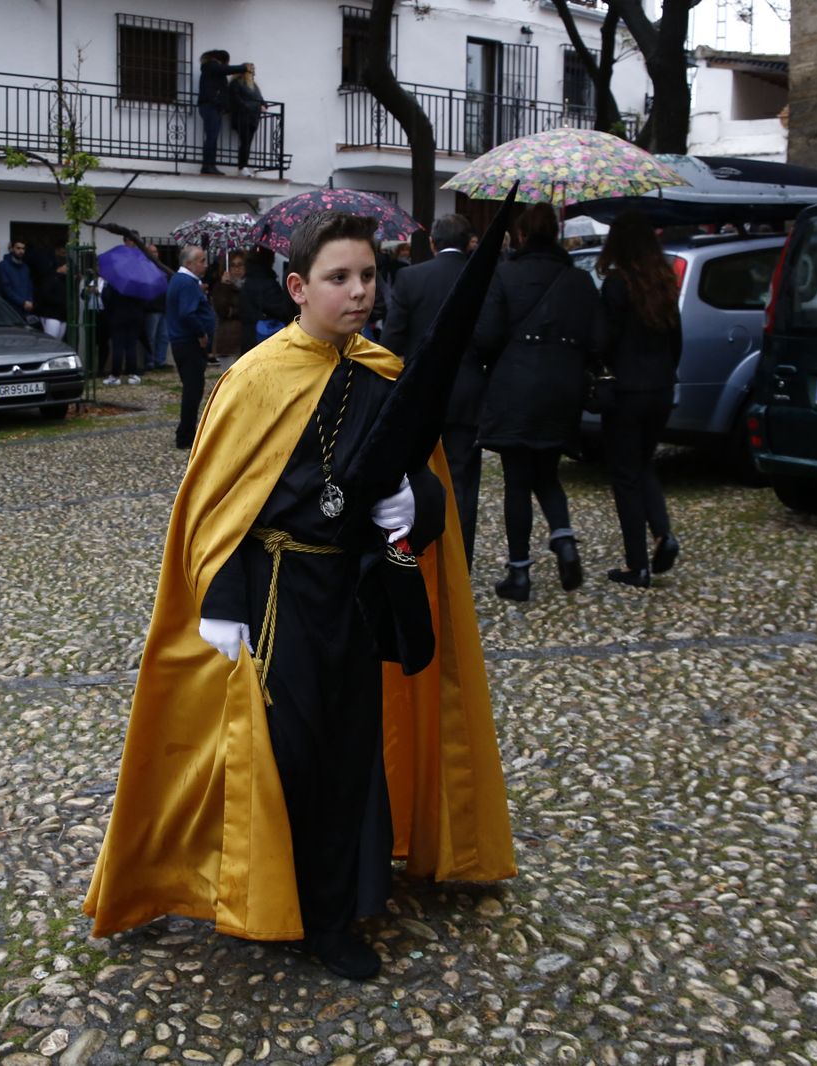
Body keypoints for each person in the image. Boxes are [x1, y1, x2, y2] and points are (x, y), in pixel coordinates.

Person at [84, 210, 515, 981]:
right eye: (338, 279)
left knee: (350, 754)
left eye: (368, 277)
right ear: (297, 286)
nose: (358, 294)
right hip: (279, 596)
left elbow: (417, 477)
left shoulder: (384, 372)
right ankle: (268, 896)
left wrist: (411, 506)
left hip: (352, 594)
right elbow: (215, 507)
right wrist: (221, 599)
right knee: (288, 757)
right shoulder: (256, 378)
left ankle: (332, 913)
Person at [472, 203, 599, 602]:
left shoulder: (505, 275)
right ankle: (564, 541)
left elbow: (486, 336)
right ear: (556, 236)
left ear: (522, 236)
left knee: (517, 480)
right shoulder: (578, 280)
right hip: (562, 386)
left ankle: (520, 573)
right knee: (548, 471)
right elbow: (598, 340)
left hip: (516, 384)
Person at [380, 213, 484, 568]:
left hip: (421, 391)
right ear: (468, 240)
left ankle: (418, 551)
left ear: (434, 243)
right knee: (464, 481)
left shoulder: (410, 277)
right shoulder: (480, 276)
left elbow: (392, 338)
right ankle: (460, 560)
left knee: (417, 475)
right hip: (467, 387)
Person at [594, 211, 683, 588]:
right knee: (644, 463)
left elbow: (605, 341)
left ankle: (637, 564)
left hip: (627, 390)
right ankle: (662, 532)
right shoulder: (663, 282)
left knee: (625, 475)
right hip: (661, 387)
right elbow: (676, 340)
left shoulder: (616, 285)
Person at [166, 245, 217, 448]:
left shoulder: (184, 281)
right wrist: (201, 333)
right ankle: (185, 435)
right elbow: (187, 313)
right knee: (193, 389)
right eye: (202, 261)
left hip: (183, 341)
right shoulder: (186, 283)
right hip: (189, 342)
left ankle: (187, 432)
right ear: (189, 264)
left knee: (193, 388)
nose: (205, 264)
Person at [198, 51, 249, 174]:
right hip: (211, 105)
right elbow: (224, 70)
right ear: (220, 59)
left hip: (213, 106)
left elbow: (222, 89)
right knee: (212, 137)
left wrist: (225, 107)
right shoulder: (211, 66)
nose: (226, 65)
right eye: (226, 62)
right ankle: (208, 166)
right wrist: (244, 67)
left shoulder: (213, 69)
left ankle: (210, 165)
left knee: (213, 137)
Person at [239, 246, 296, 351]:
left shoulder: (248, 281)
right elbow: (281, 310)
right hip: (265, 340)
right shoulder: (267, 283)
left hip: (249, 338)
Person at [102, 277, 146, 385]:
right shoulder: (138, 283)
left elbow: (105, 297)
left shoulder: (114, 282)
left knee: (118, 346)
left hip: (117, 317)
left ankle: (116, 375)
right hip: (134, 317)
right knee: (131, 346)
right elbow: (144, 301)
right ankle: (132, 374)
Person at [226, 64, 269, 176]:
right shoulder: (236, 84)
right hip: (242, 117)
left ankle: (243, 166)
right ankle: (242, 167)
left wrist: (264, 106)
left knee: (248, 142)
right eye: (251, 71)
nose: (253, 74)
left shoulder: (254, 86)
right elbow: (236, 101)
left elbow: (261, 100)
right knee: (245, 141)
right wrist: (255, 107)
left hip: (253, 118)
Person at [0, 240, 35, 316]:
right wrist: (23, 302)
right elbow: (6, 289)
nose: (21, 251)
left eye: (23, 248)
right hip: (11, 311)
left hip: (26, 309)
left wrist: (30, 301)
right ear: (11, 249)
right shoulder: (3, 266)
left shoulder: (25, 267)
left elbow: (30, 286)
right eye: (18, 248)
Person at [36, 257, 69, 341]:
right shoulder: (50, 279)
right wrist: (62, 302)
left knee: (58, 342)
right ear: (60, 267)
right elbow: (45, 296)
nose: (68, 269)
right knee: (51, 341)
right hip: (51, 315)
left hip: (62, 316)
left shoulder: (65, 280)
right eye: (67, 266)